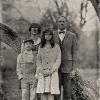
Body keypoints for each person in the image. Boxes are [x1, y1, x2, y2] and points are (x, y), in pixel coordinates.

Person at [53, 16, 78, 100]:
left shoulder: (72, 36)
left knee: (67, 92)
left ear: (66, 23)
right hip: (55, 67)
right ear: (57, 23)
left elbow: (74, 52)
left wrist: (74, 69)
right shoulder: (52, 35)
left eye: (63, 21)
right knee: (56, 91)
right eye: (60, 21)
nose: (62, 23)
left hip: (68, 67)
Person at [35, 28, 61, 100]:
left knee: (50, 92)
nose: (48, 36)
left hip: (52, 72)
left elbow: (58, 59)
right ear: (44, 36)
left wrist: (52, 70)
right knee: (43, 92)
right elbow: (38, 60)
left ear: (52, 36)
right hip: (42, 72)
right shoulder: (41, 47)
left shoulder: (56, 46)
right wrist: (42, 70)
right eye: (46, 34)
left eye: (49, 34)